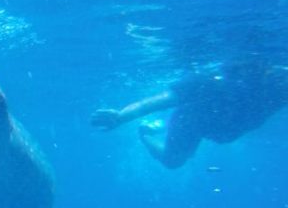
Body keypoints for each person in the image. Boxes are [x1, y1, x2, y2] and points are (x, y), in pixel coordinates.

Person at [91, 61, 288, 168]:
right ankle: (146, 132)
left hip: (224, 130)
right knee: (173, 162)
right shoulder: (206, 81)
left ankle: (160, 124)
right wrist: (120, 117)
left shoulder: (279, 84)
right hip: (190, 123)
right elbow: (152, 103)